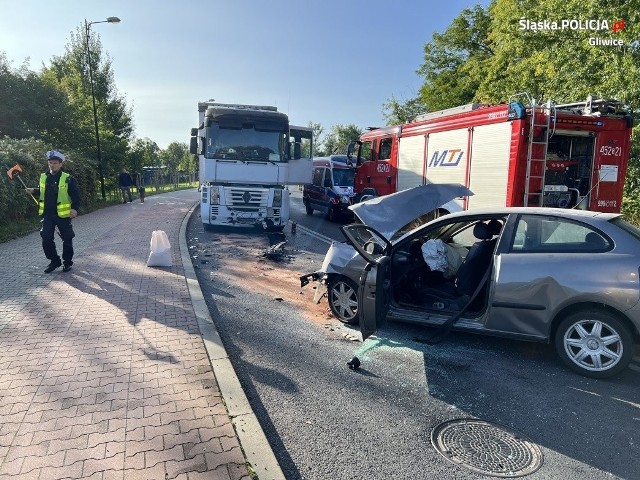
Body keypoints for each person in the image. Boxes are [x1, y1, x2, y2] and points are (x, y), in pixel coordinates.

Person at [25, 150, 80, 273]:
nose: (52, 165)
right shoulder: (44, 176)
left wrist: (74, 209)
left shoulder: (67, 178)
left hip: (63, 215)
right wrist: (34, 190)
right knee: (45, 236)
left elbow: (75, 195)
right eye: (50, 162)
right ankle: (54, 260)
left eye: (55, 163)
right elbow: (43, 190)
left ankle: (67, 262)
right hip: (48, 214)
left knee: (67, 238)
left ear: (60, 164)